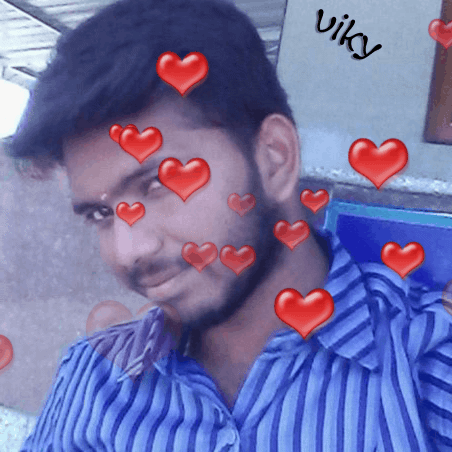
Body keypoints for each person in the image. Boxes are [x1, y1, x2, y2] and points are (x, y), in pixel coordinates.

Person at [6, 0, 452, 450]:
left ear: (274, 159)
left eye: (158, 183)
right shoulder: (94, 383)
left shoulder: (426, 366)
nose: (129, 250)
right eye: (100, 214)